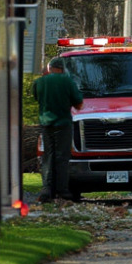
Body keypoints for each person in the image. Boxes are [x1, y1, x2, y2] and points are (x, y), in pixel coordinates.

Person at [32, 56, 83, 203]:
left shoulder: (40, 82)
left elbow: (37, 98)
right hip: (63, 123)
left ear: (50, 68)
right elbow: (79, 103)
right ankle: (62, 190)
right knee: (62, 157)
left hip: (46, 124)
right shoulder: (67, 81)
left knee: (48, 156)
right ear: (62, 69)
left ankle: (47, 190)